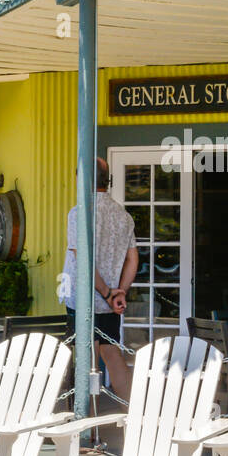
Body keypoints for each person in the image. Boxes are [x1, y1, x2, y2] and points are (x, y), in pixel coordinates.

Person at [61, 157, 139, 398]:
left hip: (83, 299)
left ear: (81, 180)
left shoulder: (79, 213)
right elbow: (133, 259)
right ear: (108, 180)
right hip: (109, 304)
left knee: (86, 362)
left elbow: (82, 260)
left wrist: (106, 292)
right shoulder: (123, 215)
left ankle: (88, 427)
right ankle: (131, 417)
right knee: (112, 355)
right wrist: (119, 292)